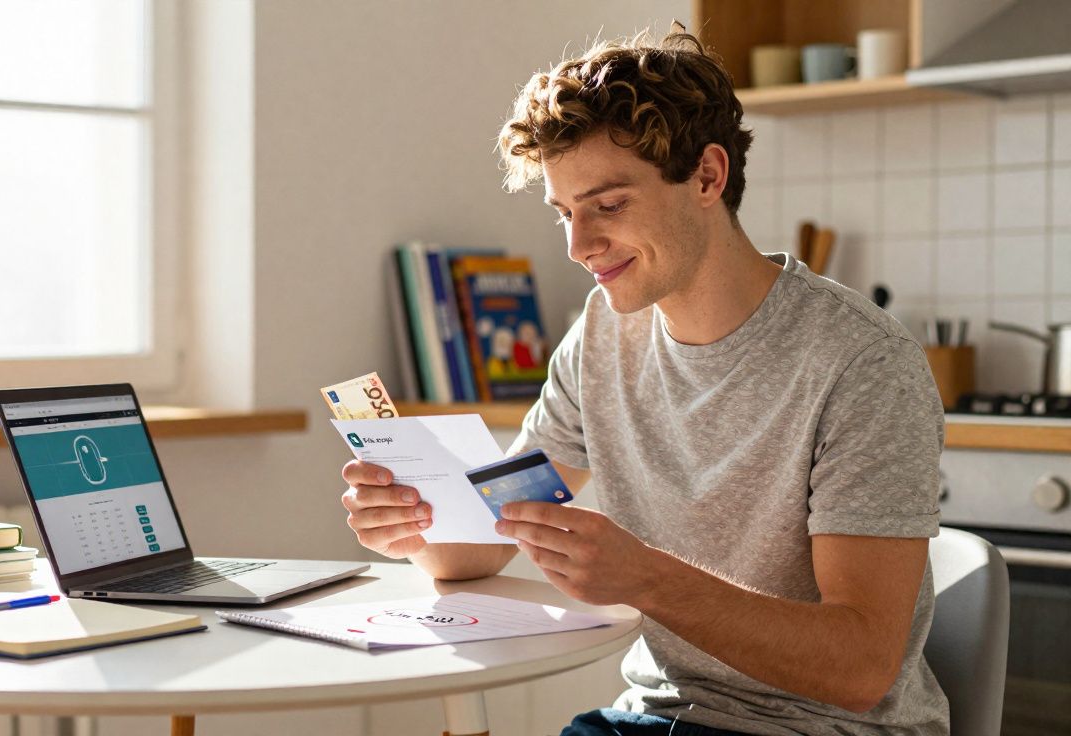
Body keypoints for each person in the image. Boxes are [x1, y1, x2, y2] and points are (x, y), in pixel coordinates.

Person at [340, 28, 947, 736]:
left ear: (707, 178)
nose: (577, 246)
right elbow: (488, 541)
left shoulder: (862, 362)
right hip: (651, 720)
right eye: (565, 213)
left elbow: (861, 670)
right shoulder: (602, 336)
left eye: (608, 205)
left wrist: (646, 577)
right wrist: (412, 526)